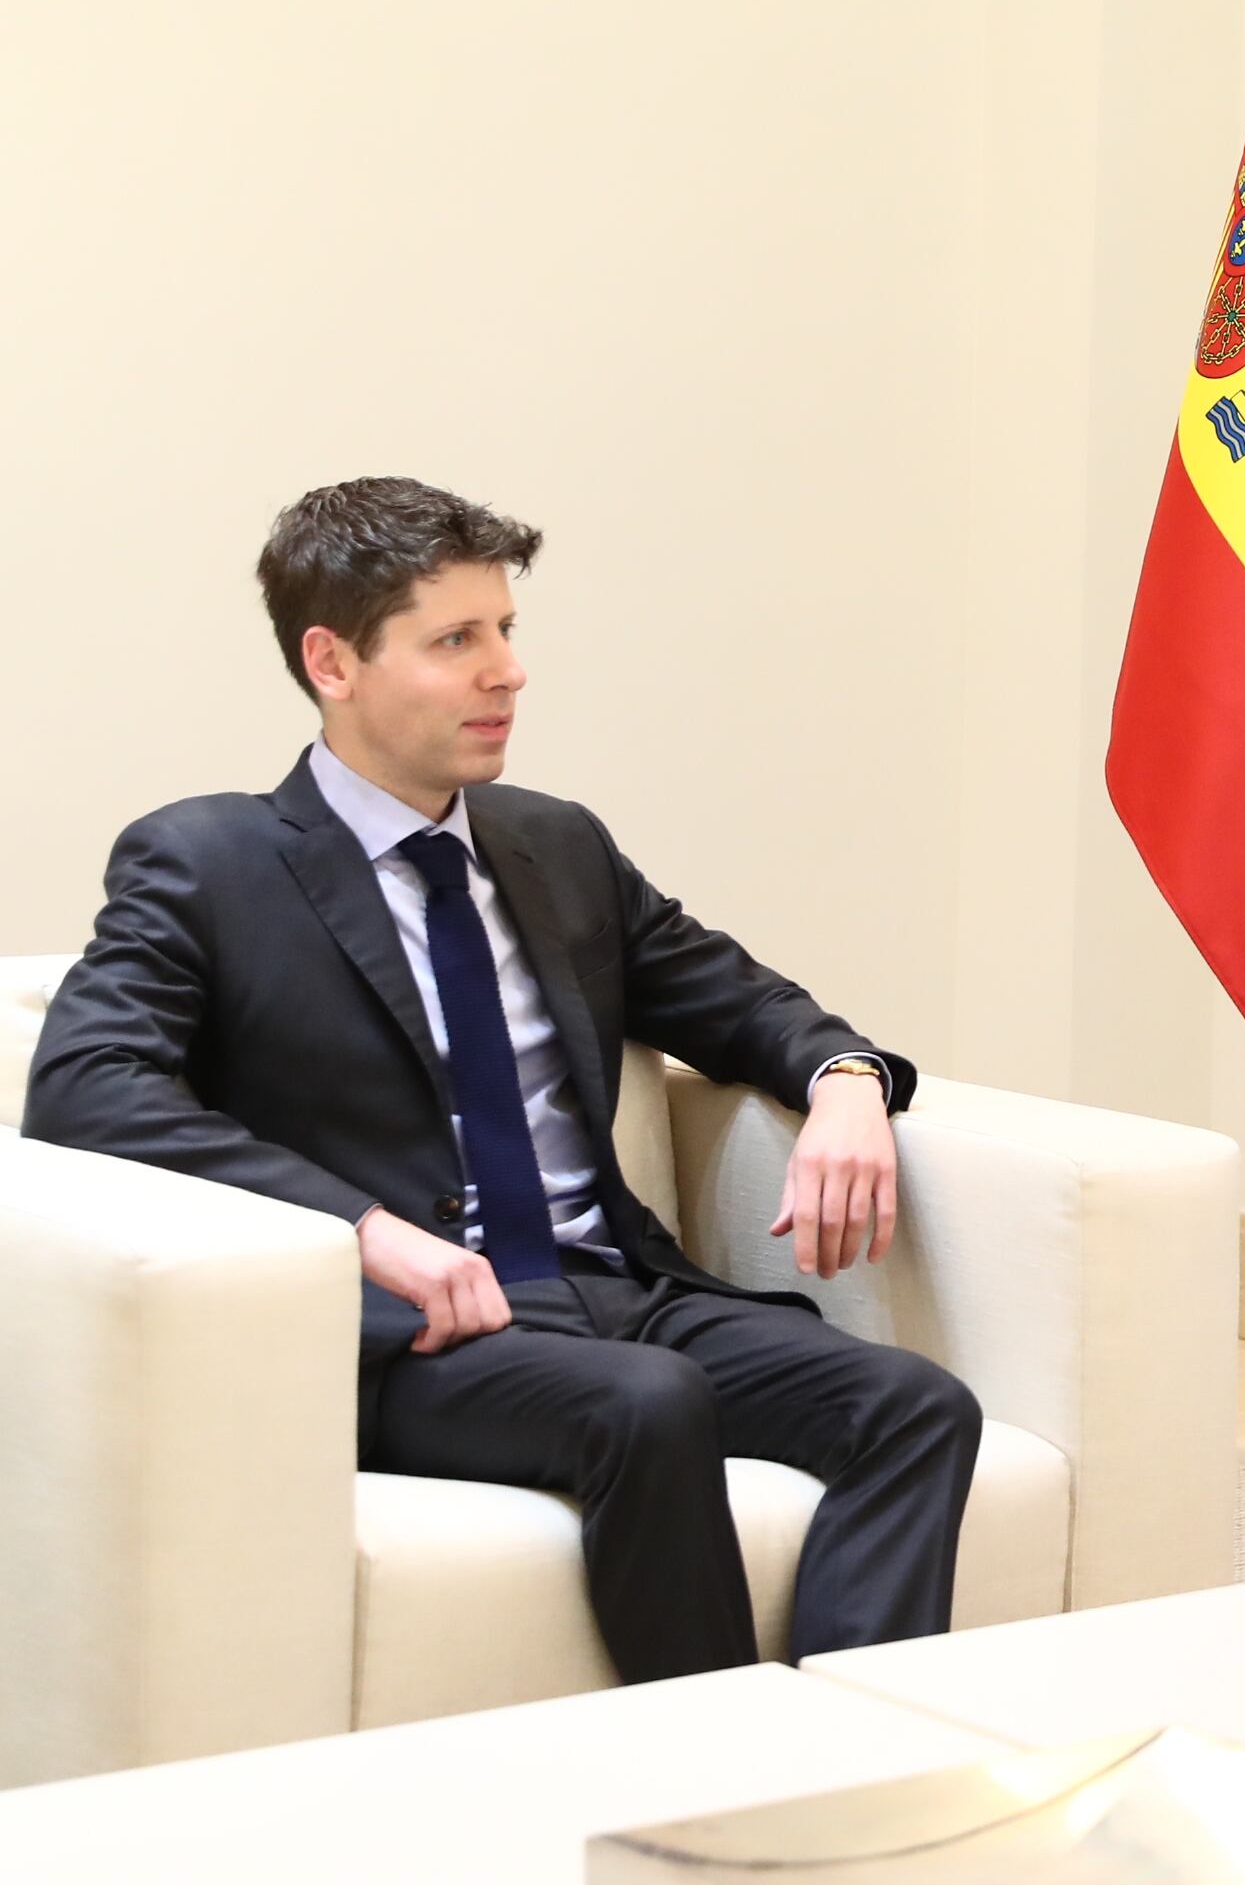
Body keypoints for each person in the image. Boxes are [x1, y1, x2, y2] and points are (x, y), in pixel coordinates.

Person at [23, 476, 985, 1682]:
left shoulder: (553, 845)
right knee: (649, 1405)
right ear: (334, 662)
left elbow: (737, 1001)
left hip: (611, 1286)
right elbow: (86, 1086)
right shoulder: (210, 861)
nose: (506, 672)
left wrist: (845, 1080)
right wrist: (365, 1231)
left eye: (507, 632)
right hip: (412, 1336)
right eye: (455, 641)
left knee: (914, 1406)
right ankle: (724, 1774)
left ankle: (858, 1755)